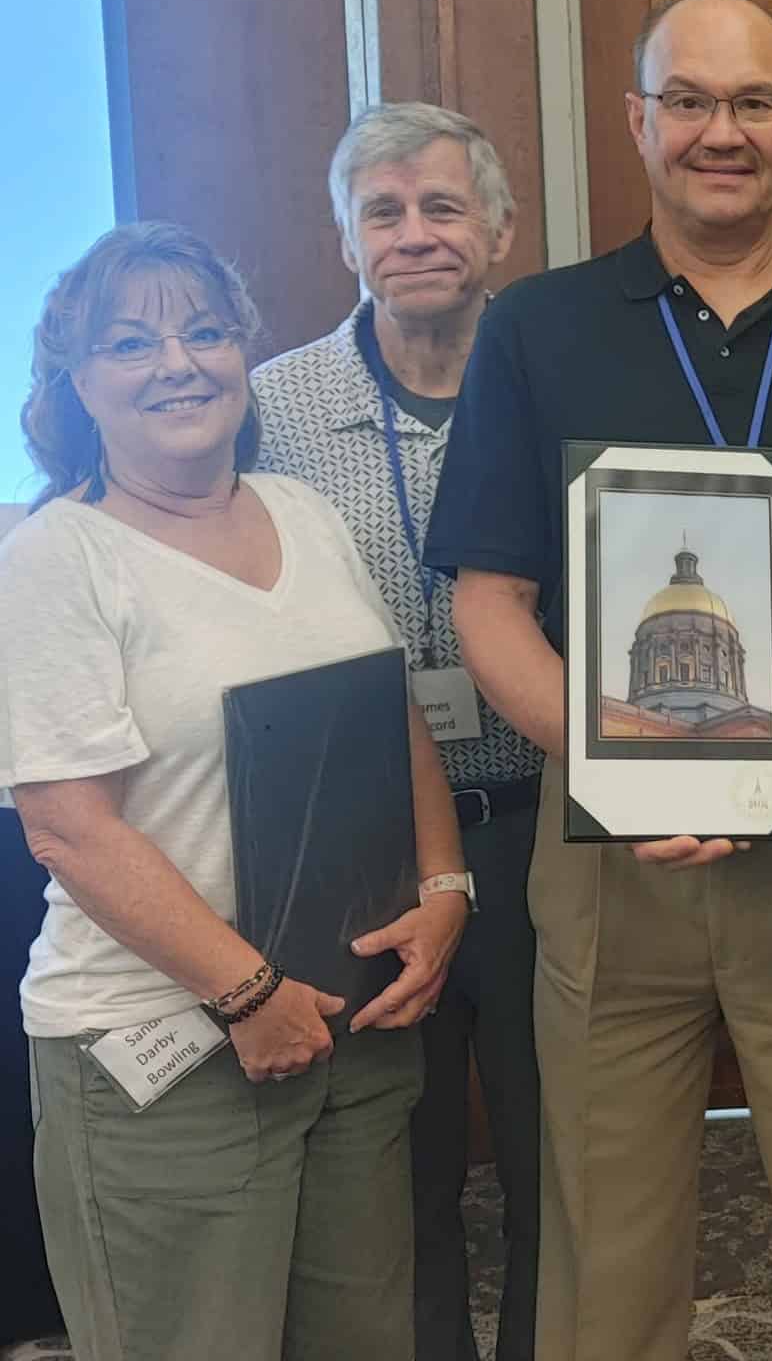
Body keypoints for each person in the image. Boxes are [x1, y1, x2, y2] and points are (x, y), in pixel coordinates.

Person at [422, 0, 772, 1360]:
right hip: (616, 862)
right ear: (638, 121)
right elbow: (489, 605)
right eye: (689, 102)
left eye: (751, 104)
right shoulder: (539, 329)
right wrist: (625, 764)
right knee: (603, 1257)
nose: (719, 133)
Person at [0, 221, 469, 1360]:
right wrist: (246, 995)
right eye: (129, 344)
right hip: (166, 1052)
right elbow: (68, 827)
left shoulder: (303, 513)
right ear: (75, 383)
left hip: (347, 1024)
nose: (177, 363)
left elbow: (391, 713)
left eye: (204, 333)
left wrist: (448, 886)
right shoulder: (59, 557)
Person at [251, 101, 543, 1361]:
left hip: (543, 826)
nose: (416, 234)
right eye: (384, 211)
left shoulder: (552, 378)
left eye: (443, 207)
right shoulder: (271, 406)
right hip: (369, 847)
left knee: (560, 1156)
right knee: (397, 1170)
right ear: (344, 238)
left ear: (500, 231)